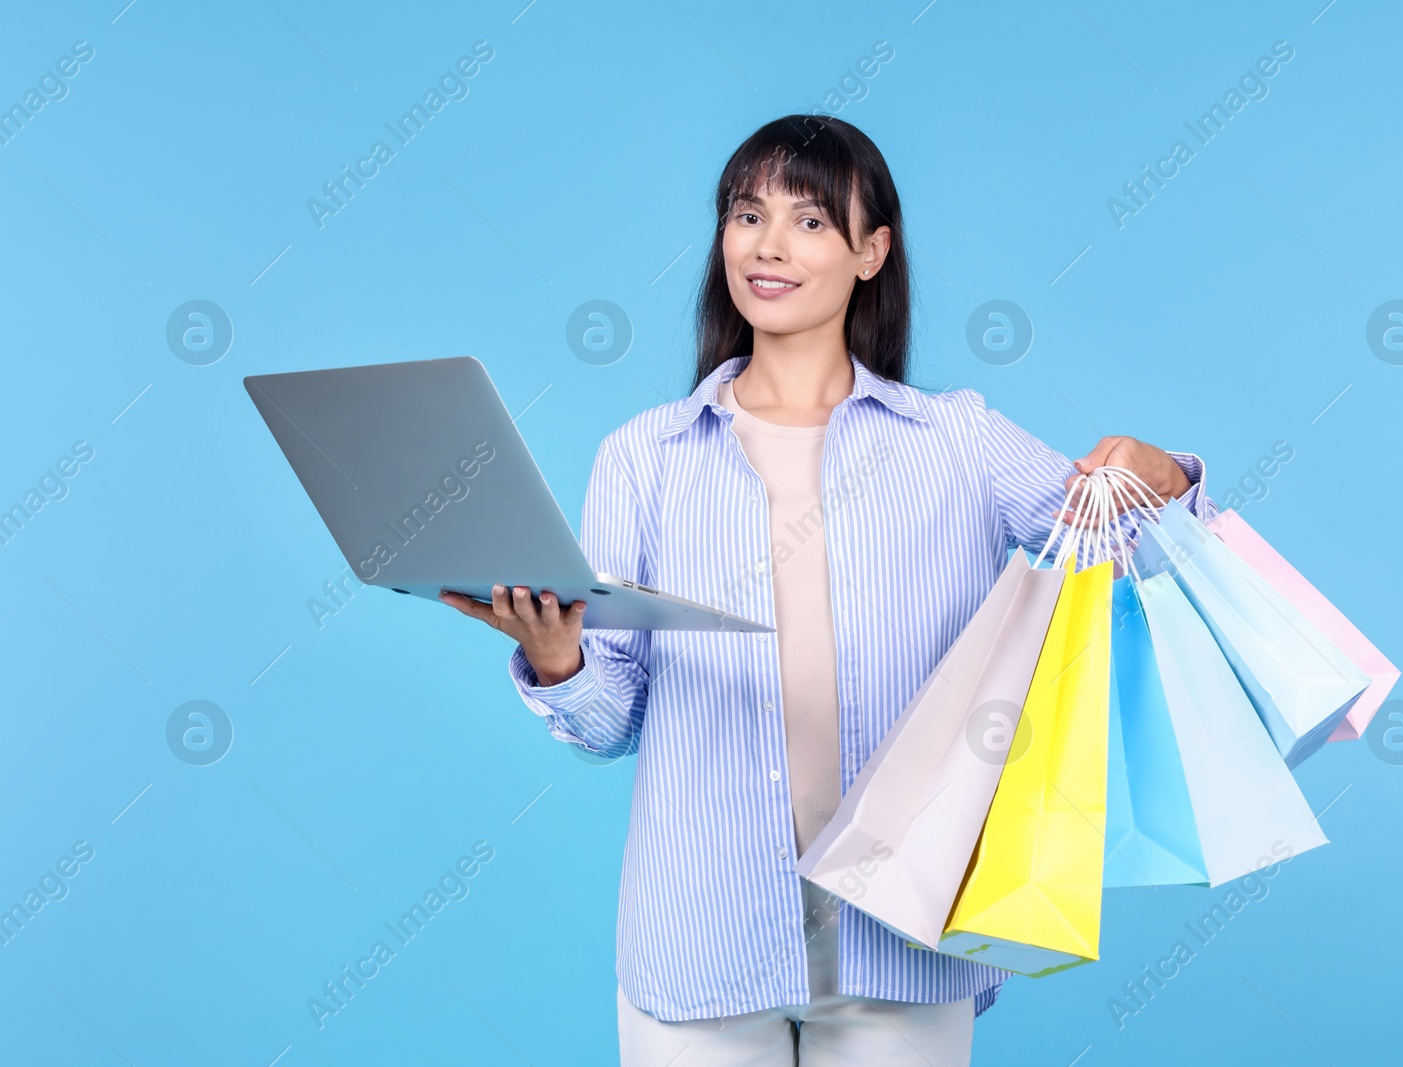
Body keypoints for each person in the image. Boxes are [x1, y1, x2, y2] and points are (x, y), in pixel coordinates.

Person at [443, 114, 1216, 1066]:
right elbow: (609, 722)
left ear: (871, 251)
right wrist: (557, 659)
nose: (767, 245)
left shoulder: (956, 443)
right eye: (746, 214)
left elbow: (1126, 540)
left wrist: (1165, 471)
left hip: (902, 934)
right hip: (701, 940)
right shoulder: (643, 457)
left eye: (810, 221)